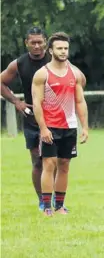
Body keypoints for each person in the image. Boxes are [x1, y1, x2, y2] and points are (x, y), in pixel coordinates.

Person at [32, 32, 89, 216]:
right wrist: (43, 128)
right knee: (49, 164)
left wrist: (84, 127)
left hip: (69, 127)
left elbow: (80, 101)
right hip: (50, 127)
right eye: (59, 48)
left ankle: (60, 205)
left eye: (66, 48)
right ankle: (47, 207)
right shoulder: (42, 74)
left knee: (64, 165)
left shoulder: (75, 74)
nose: (63, 51)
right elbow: (37, 103)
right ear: (50, 50)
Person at [1, 27, 50, 210]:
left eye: (40, 42)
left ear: (45, 42)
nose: (36, 46)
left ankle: (57, 199)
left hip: (54, 117)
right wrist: (16, 101)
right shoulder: (19, 64)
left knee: (55, 160)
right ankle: (42, 200)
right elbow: (1, 82)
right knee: (37, 160)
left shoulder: (55, 60)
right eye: (33, 42)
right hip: (31, 118)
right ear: (26, 43)